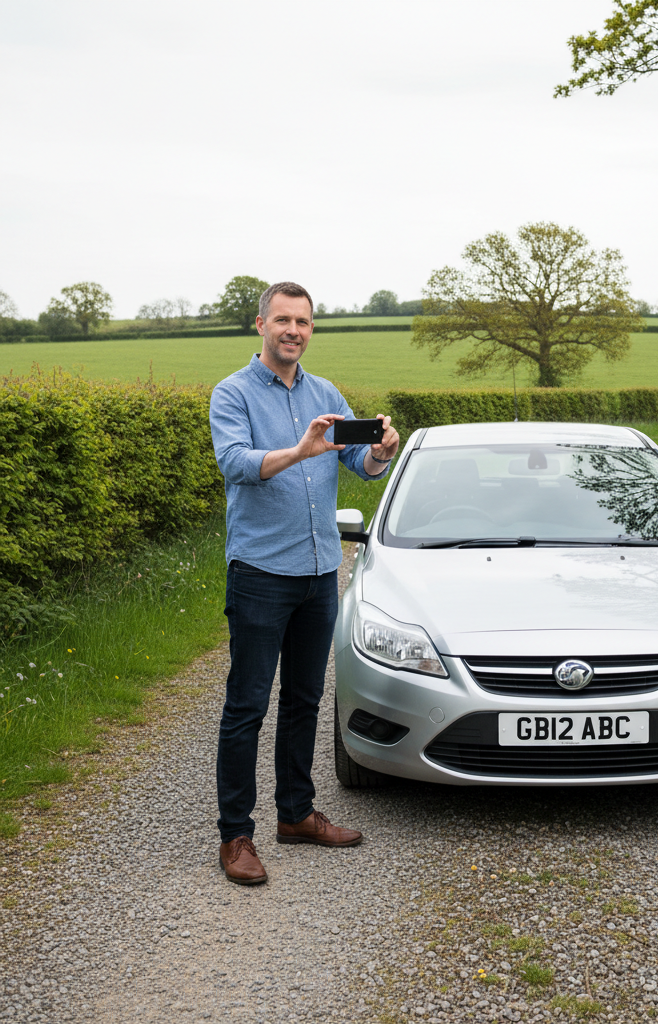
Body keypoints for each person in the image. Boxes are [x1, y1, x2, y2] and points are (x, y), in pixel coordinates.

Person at [208, 281, 399, 885]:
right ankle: (236, 835)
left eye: (305, 322)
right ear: (259, 324)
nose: (294, 331)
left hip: (320, 575)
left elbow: (356, 466)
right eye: (283, 320)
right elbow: (237, 464)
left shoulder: (325, 392)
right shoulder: (232, 393)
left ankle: (295, 815)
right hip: (261, 573)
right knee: (247, 706)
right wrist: (298, 449)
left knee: (304, 700)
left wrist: (380, 453)